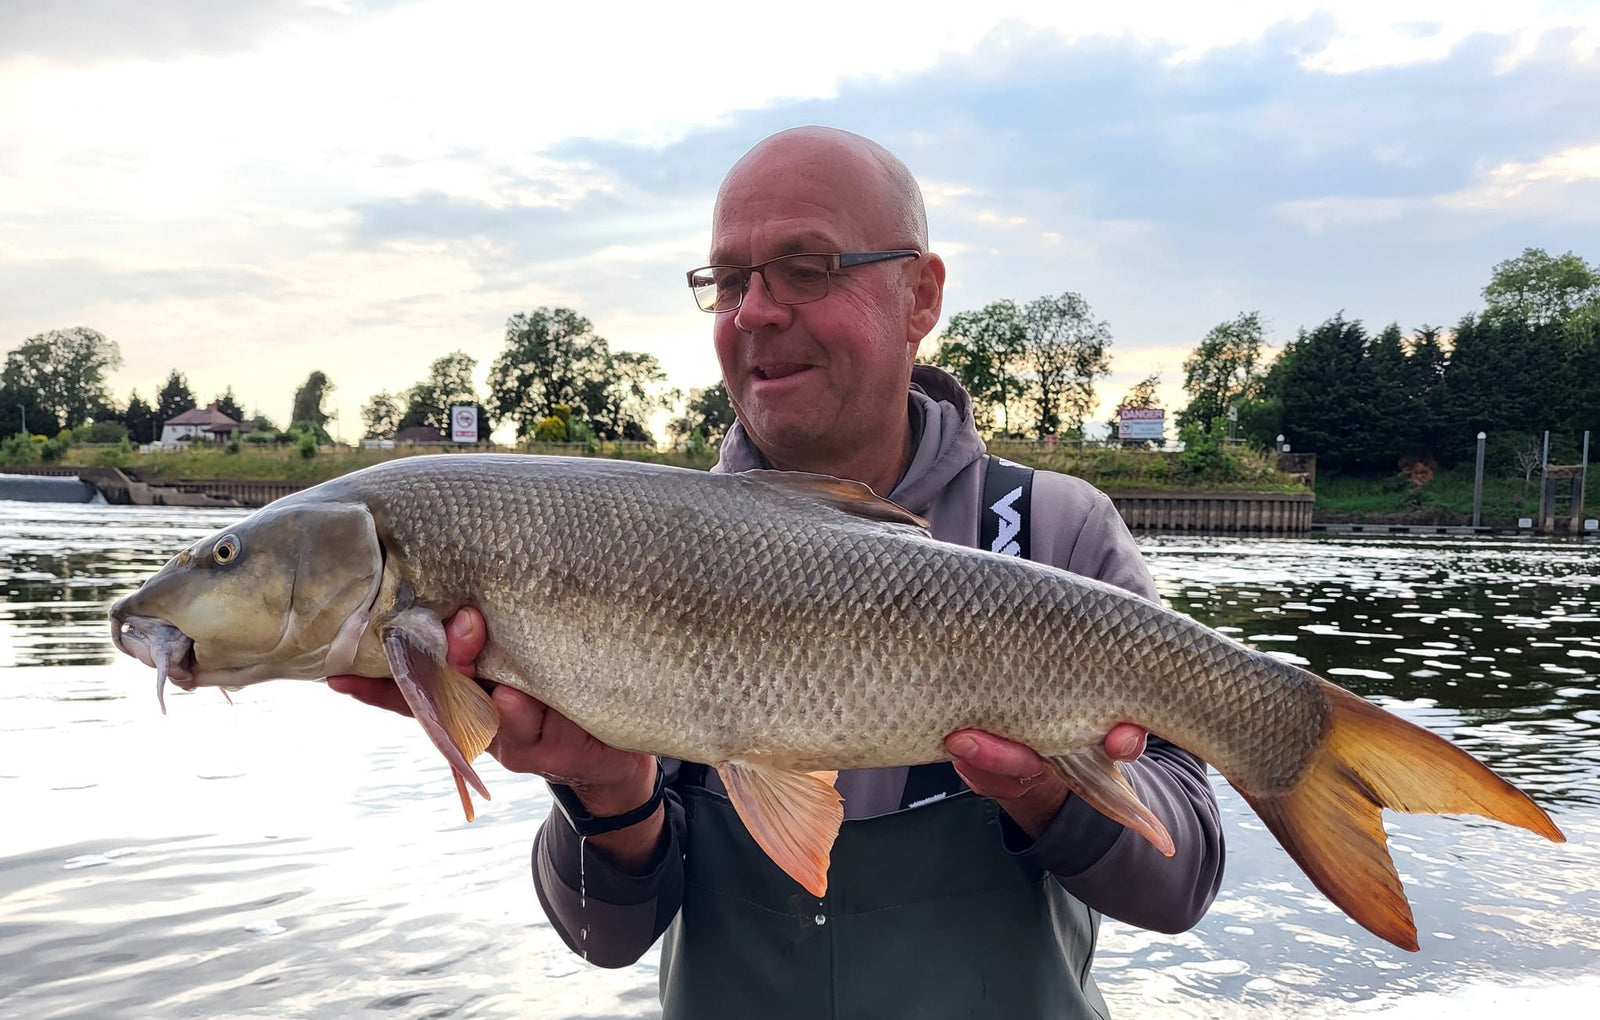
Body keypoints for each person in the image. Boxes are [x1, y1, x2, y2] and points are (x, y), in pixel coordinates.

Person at [331, 126, 1223, 1018]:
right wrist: (606, 789)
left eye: (807, 267)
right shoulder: (633, 548)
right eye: (729, 281)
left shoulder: (1050, 530)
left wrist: (1049, 790)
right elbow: (606, 939)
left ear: (921, 295)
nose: (754, 310)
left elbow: (1182, 887)